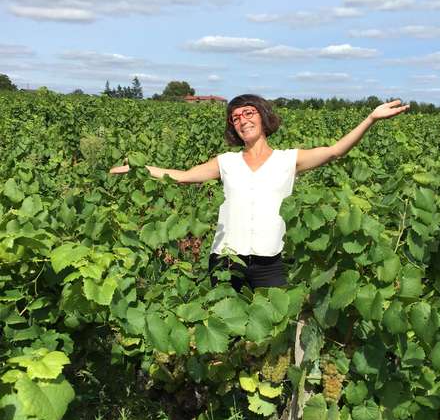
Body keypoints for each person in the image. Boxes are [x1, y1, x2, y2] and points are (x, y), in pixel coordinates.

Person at [110, 94, 409, 291]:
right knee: (229, 337)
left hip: (270, 262)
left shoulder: (288, 160)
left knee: (270, 335)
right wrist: (140, 168)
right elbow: (184, 177)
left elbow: (334, 152)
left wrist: (370, 119)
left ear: (263, 117)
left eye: (248, 113)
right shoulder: (226, 162)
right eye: (235, 118)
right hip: (227, 262)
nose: (242, 120)